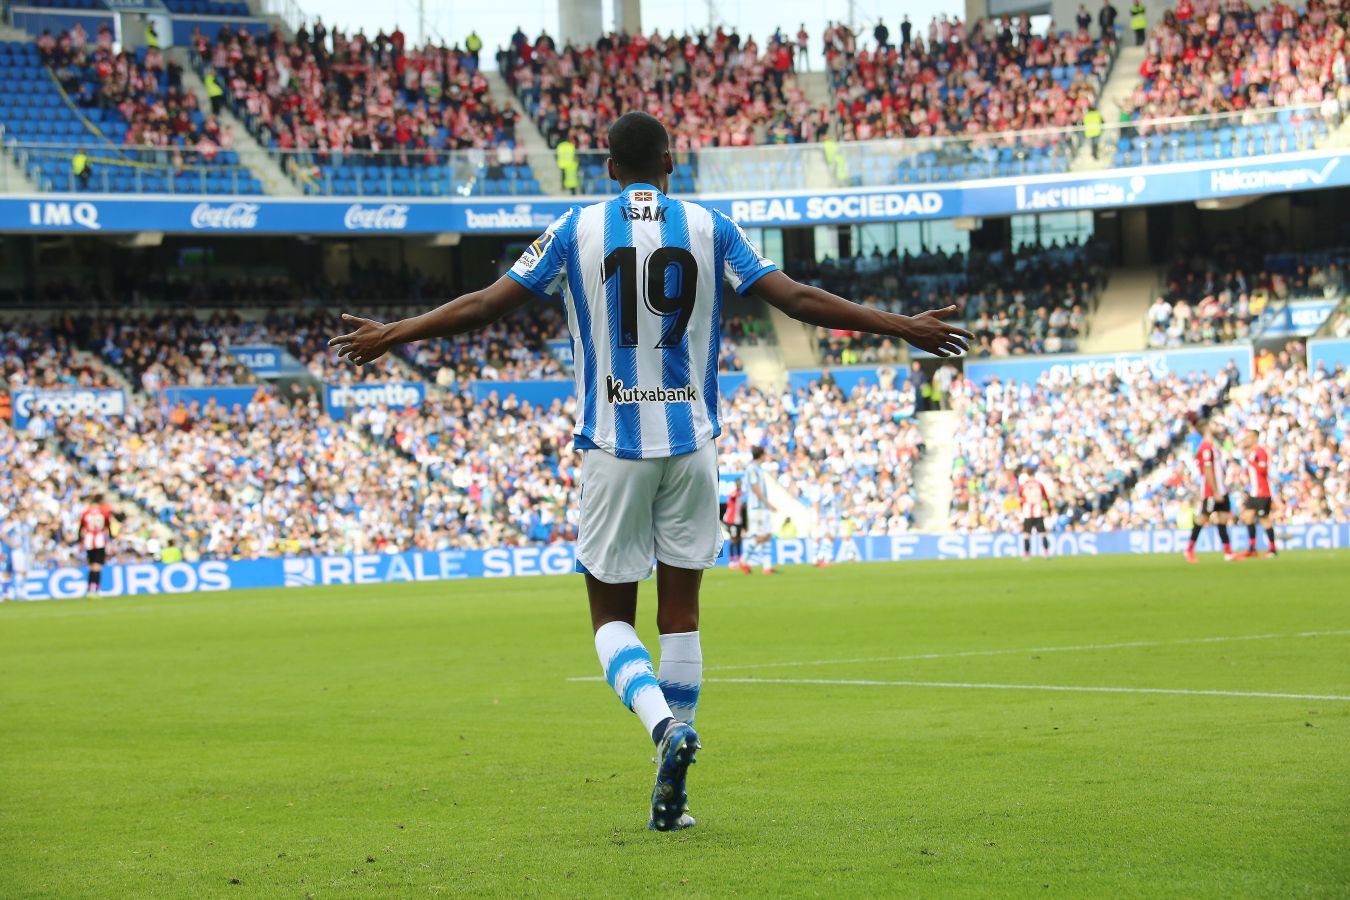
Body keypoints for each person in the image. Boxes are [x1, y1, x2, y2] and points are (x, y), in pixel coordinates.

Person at [328, 111, 971, 833]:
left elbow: (484, 305)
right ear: (672, 161)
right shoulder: (709, 226)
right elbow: (797, 299)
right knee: (682, 616)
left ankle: (665, 732)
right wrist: (903, 326)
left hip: (612, 445)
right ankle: (678, 798)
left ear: (608, 168)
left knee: (609, 621)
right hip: (693, 444)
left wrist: (394, 333)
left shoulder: (575, 229)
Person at [1185, 423, 1237, 563]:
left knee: (1223, 518)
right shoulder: (1206, 448)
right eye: (1213, 425)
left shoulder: (1212, 446)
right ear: (1206, 429)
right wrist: (1215, 492)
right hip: (1212, 491)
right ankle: (1189, 550)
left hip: (1221, 489)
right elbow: (1208, 471)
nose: (1216, 427)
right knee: (1203, 518)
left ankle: (1228, 552)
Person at [1239, 428, 1278, 558]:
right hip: (1253, 492)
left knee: (1264, 519)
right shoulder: (1251, 453)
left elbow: (1263, 470)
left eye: (1249, 437)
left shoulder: (1260, 452)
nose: (1246, 440)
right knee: (1247, 517)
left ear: (1255, 438)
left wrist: (1251, 463)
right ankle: (1252, 547)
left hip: (1262, 491)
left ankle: (1272, 549)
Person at [77, 494, 124, 597]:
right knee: (97, 567)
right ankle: (97, 590)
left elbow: (81, 528)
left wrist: (80, 541)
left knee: (91, 566)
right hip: (100, 541)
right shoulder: (104, 512)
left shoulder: (86, 513)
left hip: (88, 541)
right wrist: (111, 537)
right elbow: (108, 526)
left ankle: (89, 590)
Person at [740, 446, 776, 575]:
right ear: (760, 455)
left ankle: (767, 567)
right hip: (757, 507)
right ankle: (743, 560)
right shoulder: (752, 469)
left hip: (762, 507)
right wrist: (768, 503)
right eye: (765, 454)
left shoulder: (759, 469)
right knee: (761, 536)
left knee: (767, 535)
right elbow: (755, 488)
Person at [1018, 469, 1052, 559]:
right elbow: (1046, 497)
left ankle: (1026, 553)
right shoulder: (1039, 484)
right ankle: (1046, 552)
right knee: (1042, 533)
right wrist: (1048, 509)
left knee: (1026, 534)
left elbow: (1021, 498)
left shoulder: (1023, 485)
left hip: (1027, 512)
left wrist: (1022, 508)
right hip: (1038, 511)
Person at [721, 482, 746, 569]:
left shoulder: (740, 497)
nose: (739, 485)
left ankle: (739, 560)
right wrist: (744, 491)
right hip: (731, 521)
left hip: (738, 521)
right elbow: (733, 496)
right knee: (733, 539)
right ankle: (731, 561)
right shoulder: (733, 494)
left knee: (739, 540)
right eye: (738, 484)